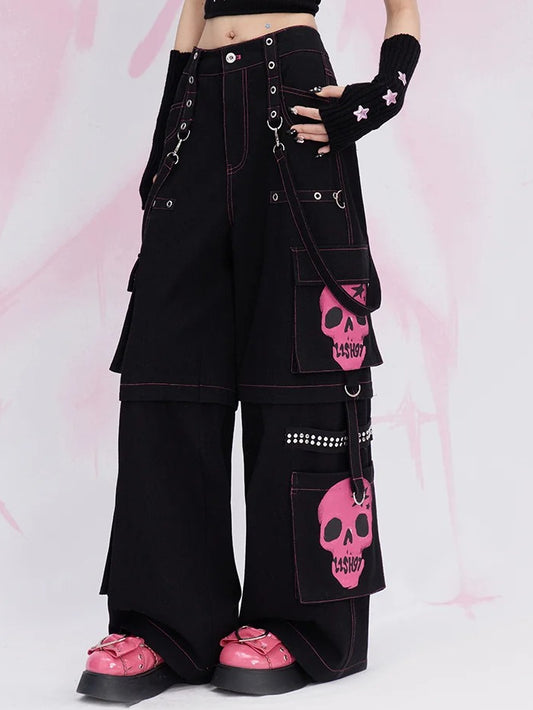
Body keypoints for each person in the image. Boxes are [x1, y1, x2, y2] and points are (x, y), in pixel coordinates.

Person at [76, 0, 421, 703]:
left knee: (302, 364)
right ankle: (163, 625)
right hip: (197, 106)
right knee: (166, 372)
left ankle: (300, 624)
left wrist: (379, 97)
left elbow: (403, 10)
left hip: (293, 101)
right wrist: (167, 137)